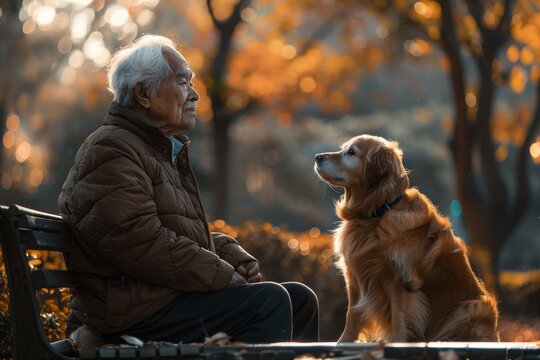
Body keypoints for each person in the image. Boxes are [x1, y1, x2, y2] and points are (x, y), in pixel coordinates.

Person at [58, 34, 319, 345]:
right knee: (268, 302)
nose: (195, 94)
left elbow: (169, 230)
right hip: (130, 316)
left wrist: (224, 250)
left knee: (299, 299)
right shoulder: (111, 148)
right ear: (144, 94)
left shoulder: (154, 149)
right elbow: (136, 238)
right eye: (182, 82)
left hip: (160, 300)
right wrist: (220, 273)